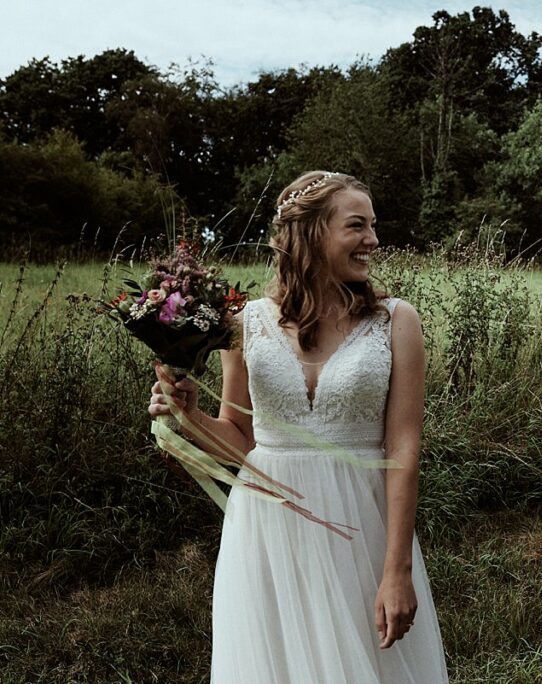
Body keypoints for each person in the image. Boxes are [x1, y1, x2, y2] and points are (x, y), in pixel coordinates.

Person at [148, 171, 449, 683]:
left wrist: (396, 569)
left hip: (362, 527)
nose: (373, 240)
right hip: (267, 529)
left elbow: (404, 447)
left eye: (372, 225)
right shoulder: (245, 323)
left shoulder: (397, 321)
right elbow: (241, 442)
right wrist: (189, 415)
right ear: (310, 234)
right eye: (357, 226)